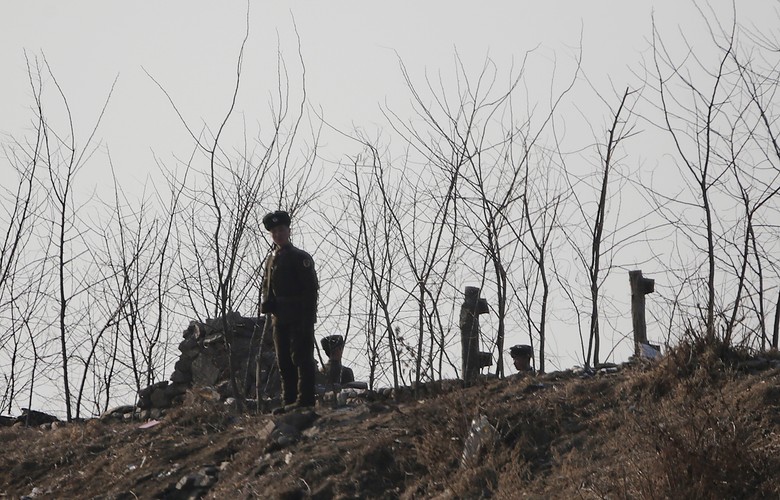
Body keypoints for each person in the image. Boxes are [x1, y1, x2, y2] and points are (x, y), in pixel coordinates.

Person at [261, 210, 319, 413]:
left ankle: (305, 400)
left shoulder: (299, 257)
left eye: (281, 230)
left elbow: (311, 290)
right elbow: (267, 287)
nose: (278, 234)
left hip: (299, 314)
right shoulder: (271, 259)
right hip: (279, 317)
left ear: (288, 231)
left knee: (302, 358)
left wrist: (308, 318)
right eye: (274, 231)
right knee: (284, 361)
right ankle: (289, 400)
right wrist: (267, 304)